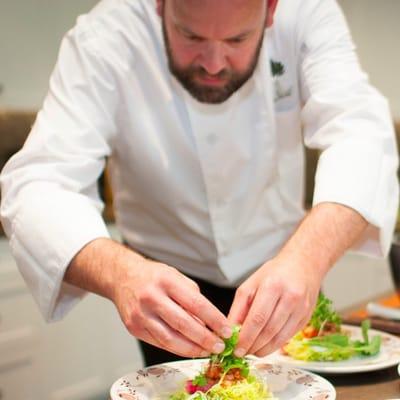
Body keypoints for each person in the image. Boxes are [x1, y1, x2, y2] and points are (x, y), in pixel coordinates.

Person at [0, 0, 398, 367]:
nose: (212, 63)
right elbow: (40, 181)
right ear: (160, 4)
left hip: (283, 275)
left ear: (271, 9)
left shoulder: (307, 13)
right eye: (191, 36)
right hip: (163, 291)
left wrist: (307, 260)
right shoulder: (108, 34)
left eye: (237, 39)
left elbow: (360, 134)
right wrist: (122, 273)